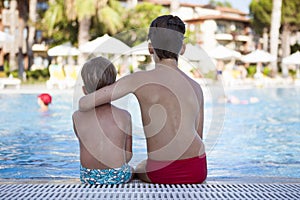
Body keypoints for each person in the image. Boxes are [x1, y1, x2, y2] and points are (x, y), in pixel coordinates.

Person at [79, 15, 207, 184]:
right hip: (197, 169)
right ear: (182, 49)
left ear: (150, 48)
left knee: (139, 167)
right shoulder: (196, 87)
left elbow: (85, 103)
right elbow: (199, 135)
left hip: (162, 171)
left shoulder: (140, 79)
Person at [72, 57, 133, 185]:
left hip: (88, 176)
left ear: (84, 90)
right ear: (112, 89)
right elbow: (128, 156)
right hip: (117, 176)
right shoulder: (125, 116)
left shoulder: (76, 117)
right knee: (134, 170)